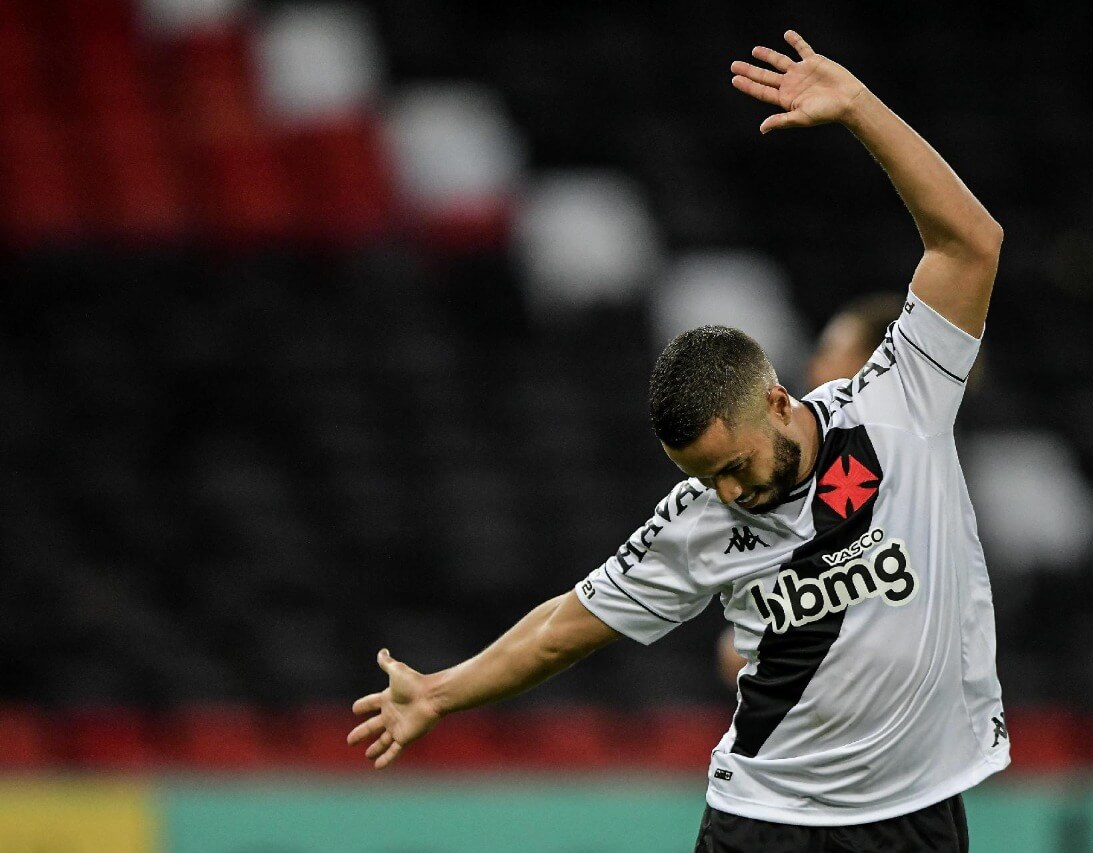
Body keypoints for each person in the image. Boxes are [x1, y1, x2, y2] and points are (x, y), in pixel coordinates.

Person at [349, 29, 1006, 852]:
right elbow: (562, 628)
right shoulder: (697, 521)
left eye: (734, 467)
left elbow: (970, 241)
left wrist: (861, 112)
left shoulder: (899, 403)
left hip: (915, 816)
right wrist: (441, 693)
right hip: (767, 825)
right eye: (708, 477)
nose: (730, 493)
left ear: (775, 399)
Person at [716, 292, 903, 687]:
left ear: (877, 364)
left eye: (832, 350)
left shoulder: (887, 463)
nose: (814, 366)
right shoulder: (824, 460)